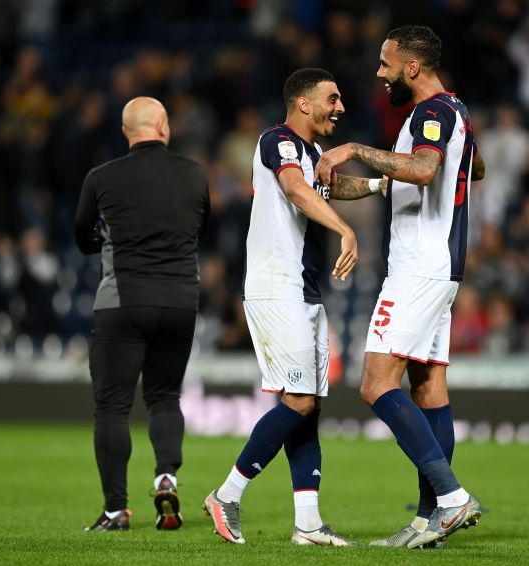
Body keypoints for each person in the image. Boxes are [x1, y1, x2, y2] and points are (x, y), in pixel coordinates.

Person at [315, 25, 486, 549]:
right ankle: (429, 521)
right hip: (442, 267)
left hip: (418, 268)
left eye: (386, 64)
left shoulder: (432, 112)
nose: (379, 72)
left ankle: (452, 498)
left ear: (412, 67)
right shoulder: (451, 112)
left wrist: (354, 149)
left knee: (374, 384)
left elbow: (427, 170)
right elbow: (474, 169)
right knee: (429, 388)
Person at [203, 68, 381, 546]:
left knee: (309, 406)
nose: (340, 107)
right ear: (304, 103)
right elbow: (296, 189)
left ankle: (308, 524)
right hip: (276, 285)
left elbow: (329, 186)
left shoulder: (314, 154)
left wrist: (383, 186)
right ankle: (227, 494)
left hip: (304, 288)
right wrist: (346, 230)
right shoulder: (278, 141)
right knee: (298, 400)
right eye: (332, 98)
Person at [75, 97, 209, 532]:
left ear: (125, 131)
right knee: (164, 398)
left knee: (112, 409)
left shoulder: (102, 178)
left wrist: (110, 237)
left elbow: (82, 236)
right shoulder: (193, 174)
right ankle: (166, 475)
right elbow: (198, 228)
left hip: (123, 303)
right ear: (164, 127)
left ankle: (116, 511)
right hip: (179, 303)